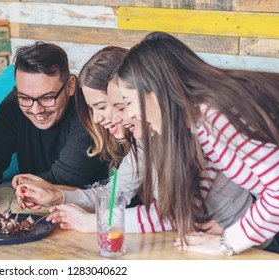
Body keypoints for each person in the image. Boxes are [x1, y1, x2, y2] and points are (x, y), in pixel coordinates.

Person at [17, 48, 253, 242]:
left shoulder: (192, 133)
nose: (98, 118)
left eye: (110, 106)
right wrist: (59, 197)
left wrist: (94, 223)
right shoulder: (144, 137)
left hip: (244, 244)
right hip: (202, 240)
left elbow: (174, 214)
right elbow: (114, 193)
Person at [114, 31, 279, 255]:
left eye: (129, 103)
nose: (134, 114)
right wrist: (239, 227)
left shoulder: (218, 114)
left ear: (154, 92)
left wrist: (227, 242)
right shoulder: (201, 122)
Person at [0, 42, 109, 192]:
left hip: (92, 207)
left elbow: (67, 178)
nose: (36, 110)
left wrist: (21, 183)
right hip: (38, 206)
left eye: (48, 97)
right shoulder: (14, 104)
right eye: (25, 98)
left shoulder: (88, 108)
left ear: (70, 86)